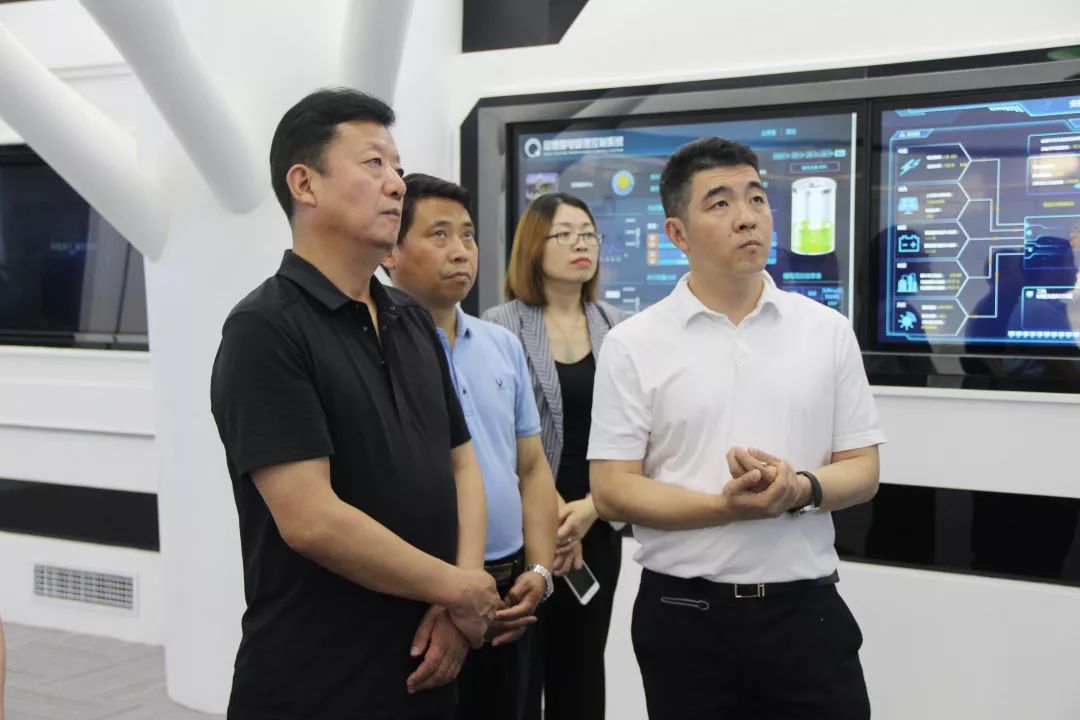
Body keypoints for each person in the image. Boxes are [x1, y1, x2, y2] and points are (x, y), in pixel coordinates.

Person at [210, 89, 500, 720]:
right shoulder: (265, 328)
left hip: (427, 659)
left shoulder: (410, 318)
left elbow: (460, 462)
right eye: (373, 164)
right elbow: (310, 518)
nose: (397, 184)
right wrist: (458, 587)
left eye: (397, 166)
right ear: (304, 184)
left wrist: (456, 600)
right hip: (318, 676)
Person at [589, 137, 886, 719]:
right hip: (685, 615)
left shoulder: (825, 330)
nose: (747, 217)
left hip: (806, 612)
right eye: (720, 203)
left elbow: (863, 469)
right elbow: (612, 489)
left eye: (756, 197)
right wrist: (724, 508)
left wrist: (797, 489)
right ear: (677, 233)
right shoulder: (633, 343)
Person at [383, 173, 559, 719]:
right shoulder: (377, 350)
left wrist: (539, 571)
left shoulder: (501, 345)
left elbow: (532, 467)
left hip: (507, 591)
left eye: (468, 235)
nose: (461, 251)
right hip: (423, 597)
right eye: (439, 235)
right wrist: (452, 595)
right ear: (390, 251)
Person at [482, 193, 625, 720]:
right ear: (533, 246)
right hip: (525, 528)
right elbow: (493, 434)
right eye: (563, 234)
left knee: (582, 670)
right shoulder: (501, 325)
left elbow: (638, 433)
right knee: (521, 673)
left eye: (588, 233)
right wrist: (553, 517)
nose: (580, 244)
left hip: (597, 523)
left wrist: (591, 509)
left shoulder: (618, 326)